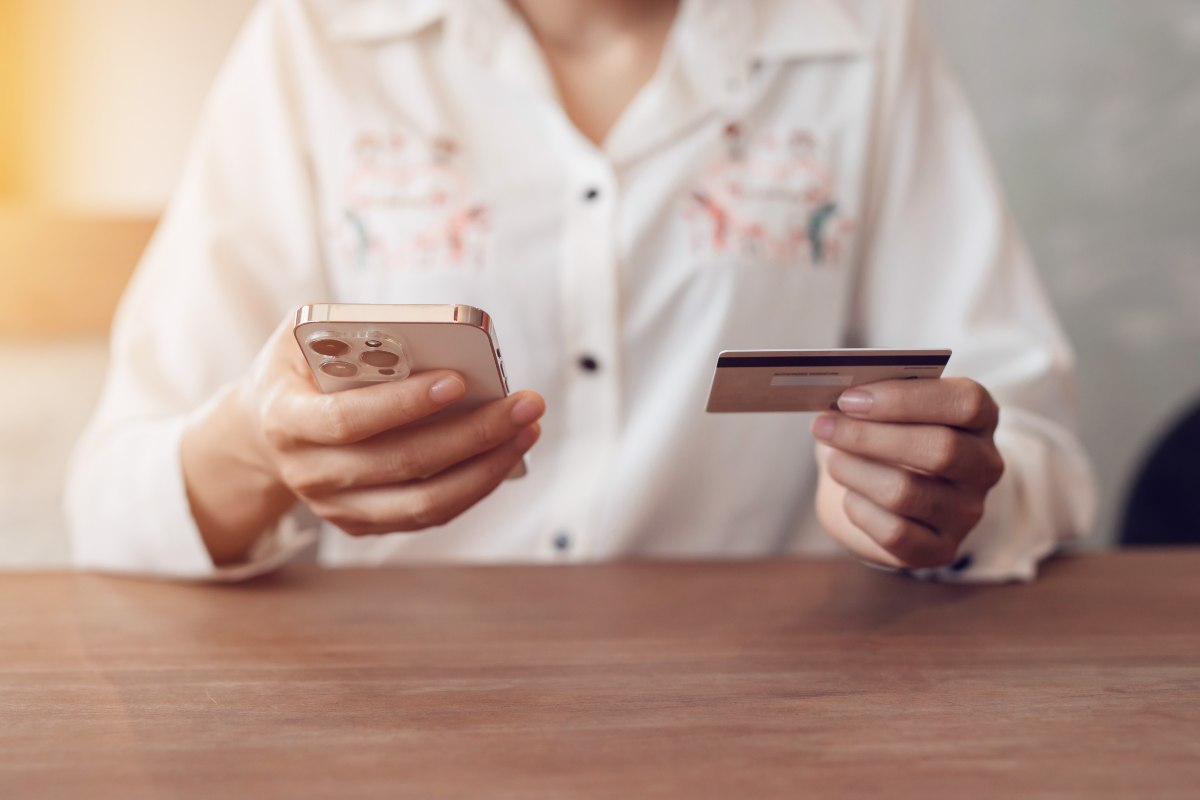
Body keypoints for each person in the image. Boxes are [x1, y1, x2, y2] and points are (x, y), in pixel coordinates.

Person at [65, 0, 1096, 582]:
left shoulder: (865, 35)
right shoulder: (315, 38)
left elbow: (1031, 438)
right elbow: (113, 501)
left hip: (781, 709)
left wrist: (947, 492)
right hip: (389, 712)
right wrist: (257, 451)